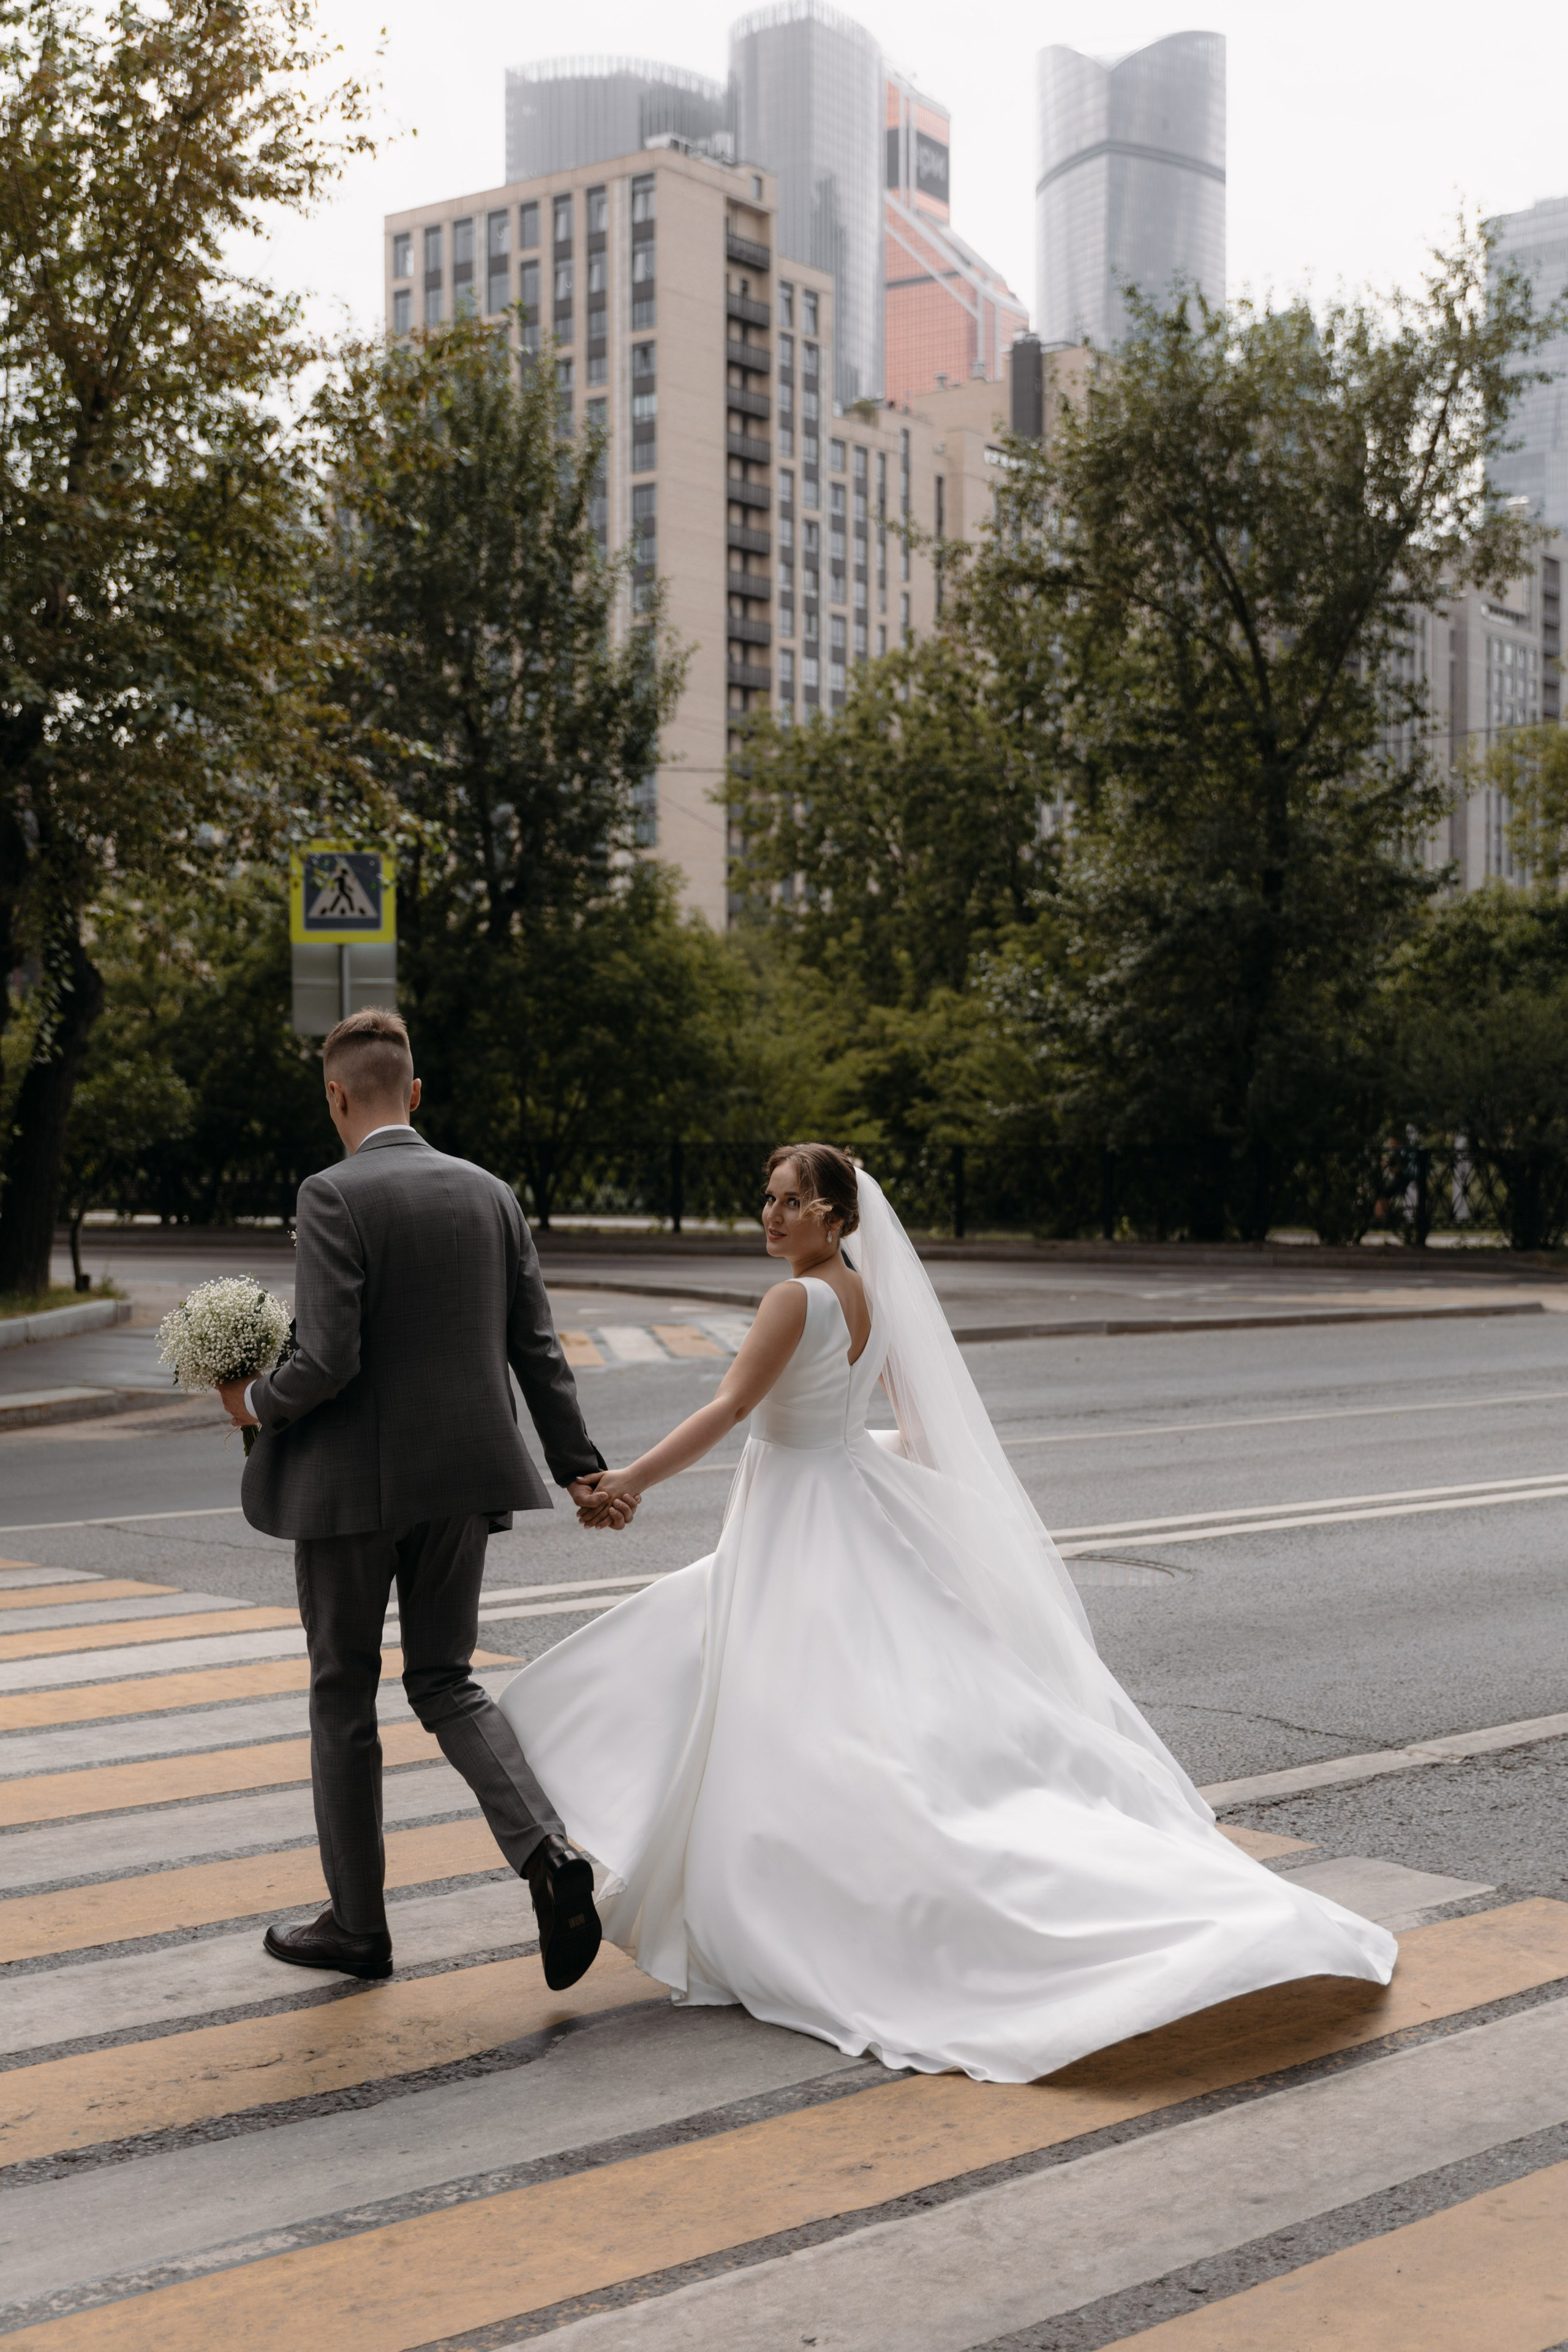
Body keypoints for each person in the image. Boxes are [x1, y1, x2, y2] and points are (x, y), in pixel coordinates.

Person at [498, 1143, 1396, 2085]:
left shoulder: (793, 1300)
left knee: (780, 1705)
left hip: (797, 1521)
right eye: (767, 1200)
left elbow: (730, 1410)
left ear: (838, 1218)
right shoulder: (870, 1299)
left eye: (793, 1203)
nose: (773, 1217)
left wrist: (631, 1481)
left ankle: (793, 1894)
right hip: (838, 1505)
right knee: (822, 1700)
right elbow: (902, 1427)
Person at [220, 1008, 627, 1990]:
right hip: (464, 1481)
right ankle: (549, 1855)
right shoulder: (491, 1195)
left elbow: (327, 1359)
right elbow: (536, 1347)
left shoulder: (331, 1194)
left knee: (342, 1696)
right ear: (414, 1093)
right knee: (445, 1680)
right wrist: (577, 1465)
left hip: (349, 1492)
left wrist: (252, 1402)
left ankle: (358, 1928)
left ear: (334, 1096)